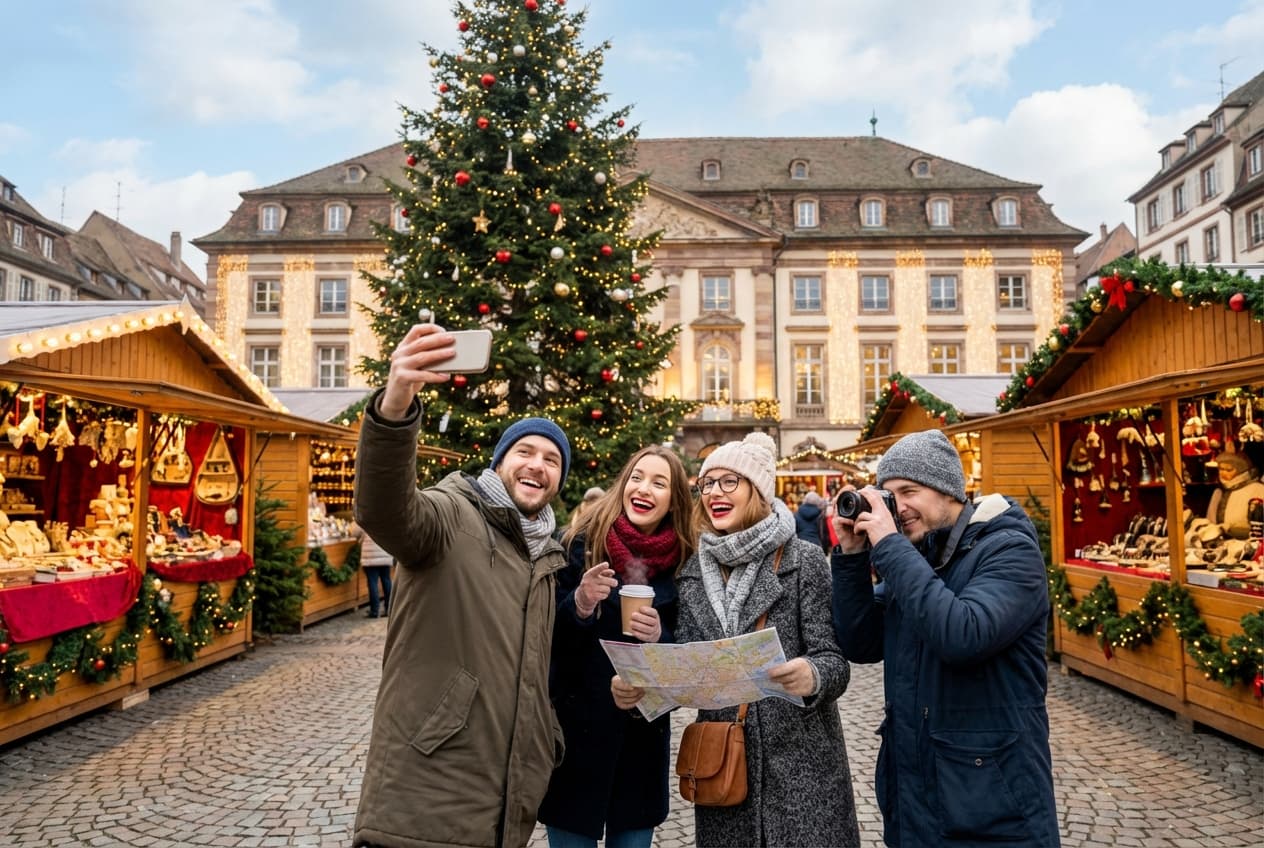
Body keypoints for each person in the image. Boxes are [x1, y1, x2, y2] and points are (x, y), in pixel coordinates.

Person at [351, 322, 572, 848]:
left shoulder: (545, 556)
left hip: (500, 814)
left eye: (552, 459)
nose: (537, 465)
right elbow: (385, 511)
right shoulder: (452, 514)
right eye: (526, 452)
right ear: (500, 462)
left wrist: (546, 740)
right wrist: (395, 405)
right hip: (421, 806)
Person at [612, 432, 860, 848]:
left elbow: (835, 661)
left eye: (730, 482)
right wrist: (642, 690)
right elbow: (688, 665)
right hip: (722, 773)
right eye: (708, 483)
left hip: (801, 774)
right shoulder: (690, 572)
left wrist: (813, 675)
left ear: (757, 491)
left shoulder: (803, 560)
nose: (715, 493)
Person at [830, 429, 1059, 846]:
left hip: (994, 807)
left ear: (949, 491)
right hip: (916, 798)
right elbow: (859, 641)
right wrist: (851, 555)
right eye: (888, 494)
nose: (897, 506)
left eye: (909, 491)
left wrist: (890, 545)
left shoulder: (1009, 550)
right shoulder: (919, 559)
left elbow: (962, 634)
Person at [537, 446, 697, 848]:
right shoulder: (578, 544)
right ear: (623, 484)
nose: (644, 488)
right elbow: (541, 642)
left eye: (659, 483)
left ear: (674, 499)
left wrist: (661, 640)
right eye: (637, 477)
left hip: (641, 744)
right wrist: (580, 604)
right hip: (576, 738)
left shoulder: (686, 563)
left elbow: (694, 658)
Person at [352, 523, 393, 618]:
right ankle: (389, 608)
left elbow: (355, 532)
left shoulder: (367, 512)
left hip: (370, 555)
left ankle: (374, 610)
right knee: (387, 581)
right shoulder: (387, 515)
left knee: (373, 583)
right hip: (385, 552)